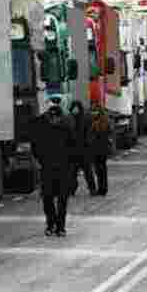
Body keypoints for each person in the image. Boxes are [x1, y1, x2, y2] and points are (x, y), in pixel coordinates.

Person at [29, 100, 75, 237]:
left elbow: (73, 146)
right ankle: (53, 224)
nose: (54, 119)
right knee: (49, 198)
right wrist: (41, 160)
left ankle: (58, 226)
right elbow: (35, 145)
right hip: (52, 167)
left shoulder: (65, 126)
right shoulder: (46, 126)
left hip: (58, 167)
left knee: (60, 198)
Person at [67, 100, 97, 196]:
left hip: (83, 149)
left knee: (86, 171)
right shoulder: (69, 118)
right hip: (75, 149)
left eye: (77, 107)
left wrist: (89, 143)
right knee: (73, 172)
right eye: (74, 108)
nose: (75, 110)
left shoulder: (84, 118)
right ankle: (72, 189)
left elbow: (90, 132)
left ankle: (91, 189)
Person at [90, 108, 112, 196]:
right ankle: (103, 188)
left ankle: (101, 189)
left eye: (95, 111)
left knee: (99, 170)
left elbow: (92, 136)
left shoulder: (96, 123)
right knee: (102, 170)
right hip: (103, 149)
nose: (94, 113)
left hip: (97, 149)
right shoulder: (105, 122)